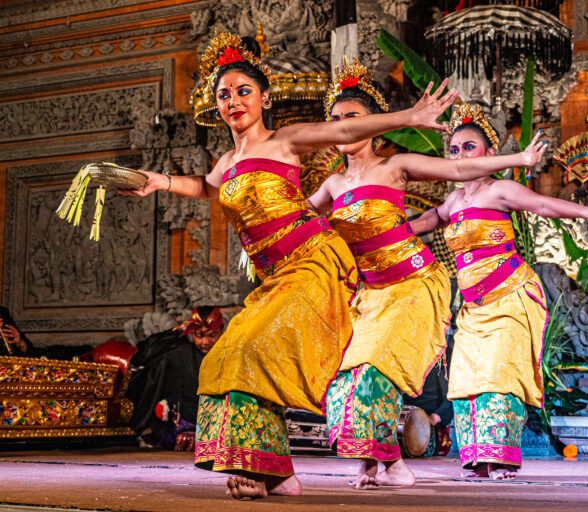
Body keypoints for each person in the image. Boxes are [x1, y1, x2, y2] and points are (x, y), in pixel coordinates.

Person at [120, 32, 457, 499]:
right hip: (275, 277)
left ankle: (264, 469)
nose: (233, 100)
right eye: (224, 94)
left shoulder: (283, 140)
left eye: (244, 91)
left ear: (263, 98)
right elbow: (207, 187)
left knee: (252, 351)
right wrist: (159, 182)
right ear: (215, 105)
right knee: (225, 355)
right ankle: (279, 472)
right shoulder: (226, 162)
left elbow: (342, 132)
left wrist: (410, 117)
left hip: (314, 263)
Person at [307, 60, 547, 489]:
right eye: (337, 120)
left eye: (354, 118)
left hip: (416, 286)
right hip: (370, 294)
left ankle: (404, 461)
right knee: (344, 380)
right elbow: (292, 222)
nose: (343, 127)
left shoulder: (395, 164)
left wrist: (521, 158)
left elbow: (457, 172)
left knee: (372, 372)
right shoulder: (331, 185)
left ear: (378, 124)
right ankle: (383, 462)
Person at [411, 102, 588, 480]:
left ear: (489, 155)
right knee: (467, 383)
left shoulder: (500, 190)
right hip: (472, 309)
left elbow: (545, 205)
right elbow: (421, 223)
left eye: (469, 148)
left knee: (499, 377)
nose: (460, 155)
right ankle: (477, 461)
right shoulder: (452, 201)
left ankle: (501, 459)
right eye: (454, 150)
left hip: (511, 297)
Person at [127, 306, 224, 450]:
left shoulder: (229, 355)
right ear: (191, 334)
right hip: (183, 420)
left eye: (212, 335)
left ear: (222, 331)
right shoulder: (179, 355)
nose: (205, 341)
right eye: (199, 335)